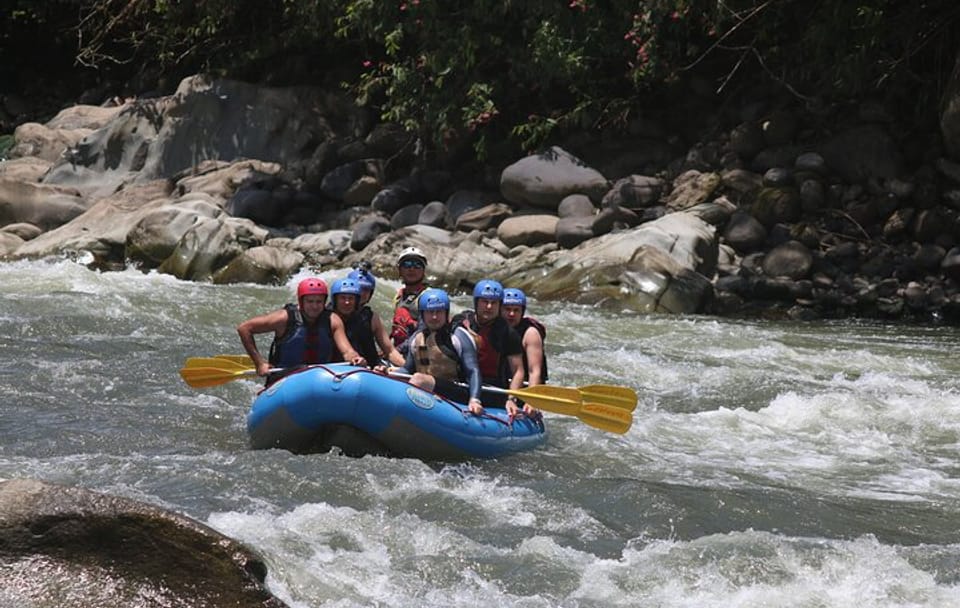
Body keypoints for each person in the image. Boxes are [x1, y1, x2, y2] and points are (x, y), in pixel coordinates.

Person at [236, 278, 366, 384]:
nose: (315, 306)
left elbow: (347, 351)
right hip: (285, 379)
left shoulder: (332, 320)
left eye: (319, 302)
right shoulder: (284, 318)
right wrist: (259, 363)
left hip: (321, 379)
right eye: (310, 301)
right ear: (301, 301)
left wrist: (356, 358)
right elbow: (245, 328)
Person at [383, 288, 486, 415]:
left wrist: (475, 399)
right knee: (399, 376)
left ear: (446, 313)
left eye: (439, 312)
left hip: (457, 390)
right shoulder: (417, 338)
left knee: (418, 380)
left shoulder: (458, 336)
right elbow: (407, 369)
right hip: (428, 388)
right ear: (422, 314)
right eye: (430, 312)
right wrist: (387, 373)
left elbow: (473, 371)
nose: (435, 316)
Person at [457, 279, 528, 417]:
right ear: (476, 303)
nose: (489, 307)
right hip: (463, 385)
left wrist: (511, 399)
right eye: (485, 301)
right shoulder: (462, 323)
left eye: (494, 303)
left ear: (500, 305)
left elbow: (518, 371)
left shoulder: (508, 333)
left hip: (492, 389)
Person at [334, 268, 406, 367]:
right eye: (359, 288)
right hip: (340, 367)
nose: (362, 293)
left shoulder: (371, 317)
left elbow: (389, 351)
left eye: (366, 290)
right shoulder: (331, 316)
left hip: (369, 369)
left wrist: (407, 368)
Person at [500, 288, 548, 386]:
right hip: (503, 383)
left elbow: (534, 372)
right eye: (507, 309)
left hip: (526, 386)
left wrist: (530, 399)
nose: (511, 314)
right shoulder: (495, 327)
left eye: (516, 310)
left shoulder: (530, 333)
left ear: (522, 312)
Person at [390, 246, 429, 354]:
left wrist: (395, 351)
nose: (411, 269)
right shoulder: (398, 296)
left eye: (417, 265)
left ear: (423, 271)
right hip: (399, 351)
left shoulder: (427, 297)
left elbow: (426, 334)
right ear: (399, 270)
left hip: (419, 353)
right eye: (407, 265)